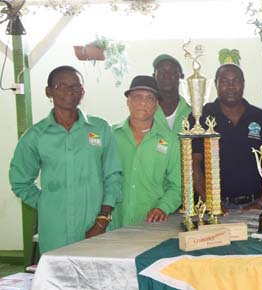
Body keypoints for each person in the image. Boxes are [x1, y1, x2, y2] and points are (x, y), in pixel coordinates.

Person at [9, 66, 122, 253]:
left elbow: (113, 176)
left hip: (95, 228)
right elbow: (20, 181)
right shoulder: (36, 136)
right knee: (58, 280)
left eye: (76, 86)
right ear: (49, 92)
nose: (69, 91)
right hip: (55, 233)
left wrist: (102, 220)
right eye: (61, 85)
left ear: (83, 92)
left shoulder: (101, 129)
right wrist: (47, 203)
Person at [190, 64, 262, 211]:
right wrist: (209, 202)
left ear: (243, 84)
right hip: (214, 207)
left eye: (236, 81)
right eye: (224, 81)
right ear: (216, 84)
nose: (230, 86)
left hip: (254, 205)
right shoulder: (200, 118)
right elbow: (194, 163)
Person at [111, 75, 181, 228]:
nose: (143, 102)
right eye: (137, 97)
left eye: (149, 98)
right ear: (128, 101)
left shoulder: (171, 142)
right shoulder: (111, 136)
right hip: (114, 223)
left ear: (156, 104)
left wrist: (163, 207)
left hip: (152, 225)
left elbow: (178, 186)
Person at [152, 54, 192, 134]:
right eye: (161, 72)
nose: (166, 75)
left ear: (181, 76)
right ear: (154, 76)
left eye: (172, 72)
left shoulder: (192, 112)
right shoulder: (146, 111)